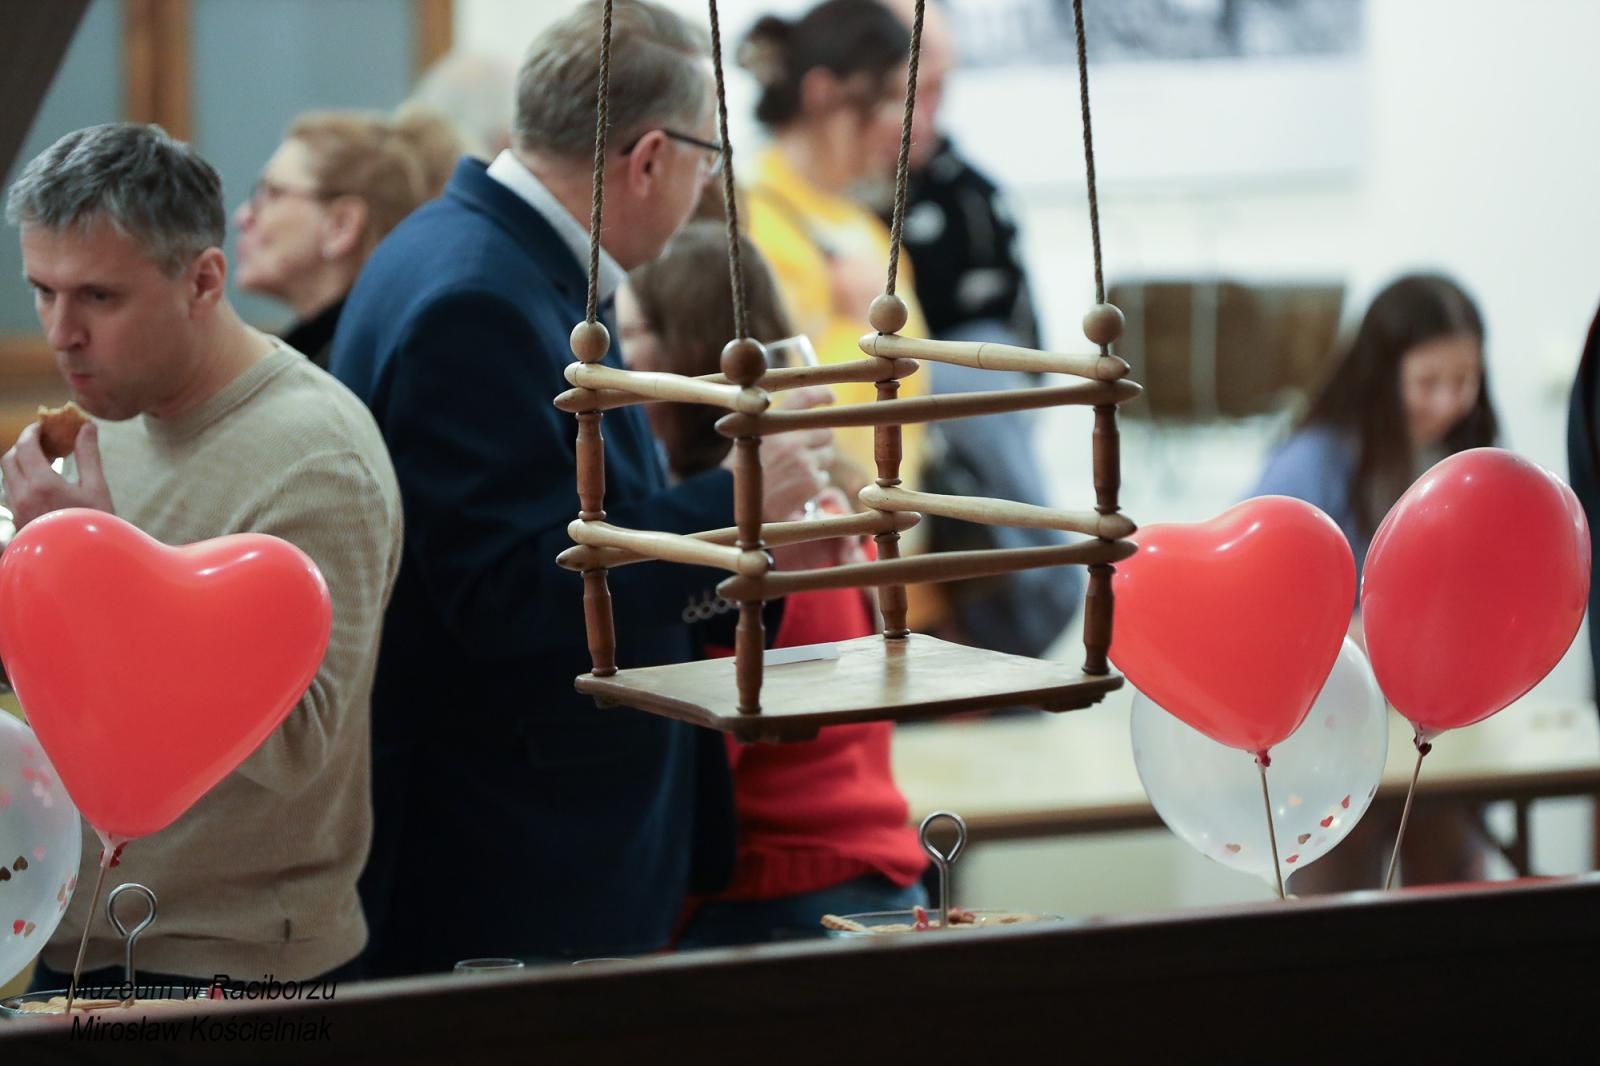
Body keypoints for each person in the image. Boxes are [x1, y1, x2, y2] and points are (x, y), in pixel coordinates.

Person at [329, 1, 832, 974]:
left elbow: (585, 526)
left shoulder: (500, 258)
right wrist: (734, 502)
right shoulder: (477, 295)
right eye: (706, 161)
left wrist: (748, 557)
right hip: (514, 854)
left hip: (556, 834)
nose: (705, 187)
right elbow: (508, 590)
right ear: (648, 159)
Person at [1, 122, 402, 986]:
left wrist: (93, 583)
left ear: (204, 279)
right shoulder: (113, 411)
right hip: (69, 941)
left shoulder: (316, 456)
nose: (61, 332)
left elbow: (298, 752)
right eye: (43, 291)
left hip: (222, 960)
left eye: (99, 298)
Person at [618, 222, 928, 945]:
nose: (610, 357)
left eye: (628, 331)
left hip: (778, 895)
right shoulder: (817, 505)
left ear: (685, 354)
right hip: (854, 869)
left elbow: (698, 753)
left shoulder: (770, 536)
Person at [1251, 272, 1500, 891]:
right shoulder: (1310, 463)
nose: (1447, 402)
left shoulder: (1469, 465)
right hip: (1327, 750)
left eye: (1464, 382)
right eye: (1428, 382)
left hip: (1442, 746)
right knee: (1334, 932)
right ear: (1381, 376)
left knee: (1453, 901)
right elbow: (1258, 600)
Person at [739, 0, 931, 485]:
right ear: (823, 94)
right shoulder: (746, 222)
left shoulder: (865, 228)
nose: (902, 122)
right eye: (889, 96)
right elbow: (769, 406)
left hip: (890, 519)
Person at [234, 109, 462, 368]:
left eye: (271, 193)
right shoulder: (341, 353)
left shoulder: (354, 370)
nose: (242, 217)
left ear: (341, 225)